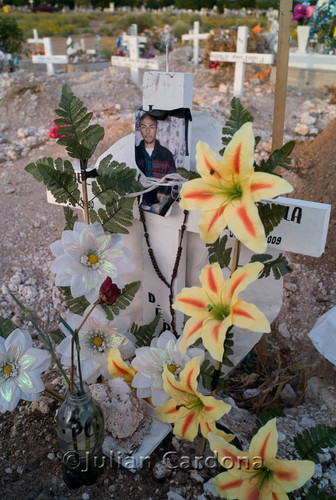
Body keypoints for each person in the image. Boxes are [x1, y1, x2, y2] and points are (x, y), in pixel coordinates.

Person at [135, 113, 176, 214]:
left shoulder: (167, 155)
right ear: (140, 129)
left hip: (161, 210)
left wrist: (161, 205)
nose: (148, 131)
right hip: (137, 209)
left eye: (151, 127)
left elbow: (173, 183)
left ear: (157, 130)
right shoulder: (135, 153)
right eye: (144, 127)